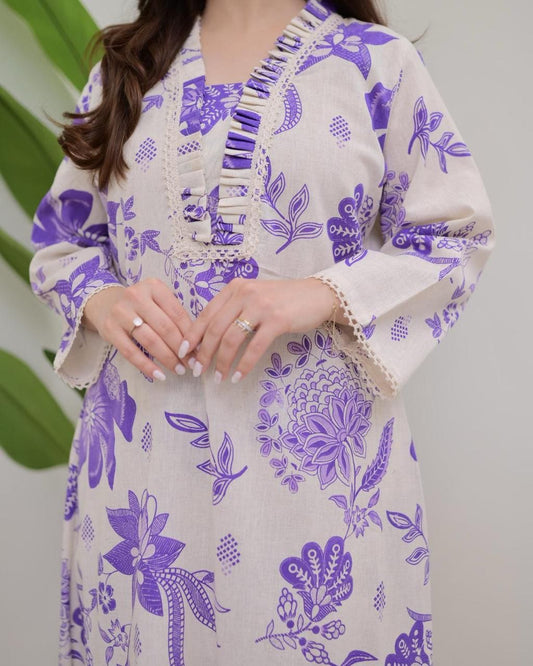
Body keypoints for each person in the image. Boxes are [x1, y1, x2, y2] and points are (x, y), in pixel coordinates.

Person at [28, 0, 495, 663]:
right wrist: (103, 300)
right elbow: (62, 241)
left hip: (318, 486)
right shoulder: (128, 67)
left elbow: (454, 236)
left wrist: (320, 293)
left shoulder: (374, 63)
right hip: (142, 483)